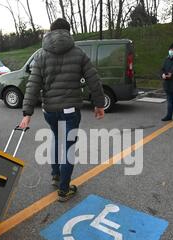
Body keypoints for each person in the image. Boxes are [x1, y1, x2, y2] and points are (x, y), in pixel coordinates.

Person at [18, 18, 105, 202]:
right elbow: (93, 80)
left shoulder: (40, 55)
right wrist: (98, 104)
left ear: (51, 31)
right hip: (70, 110)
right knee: (69, 147)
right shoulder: (78, 53)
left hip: (50, 110)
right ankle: (64, 190)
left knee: (57, 139)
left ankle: (55, 175)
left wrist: (27, 113)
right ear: (68, 32)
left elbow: (33, 85)